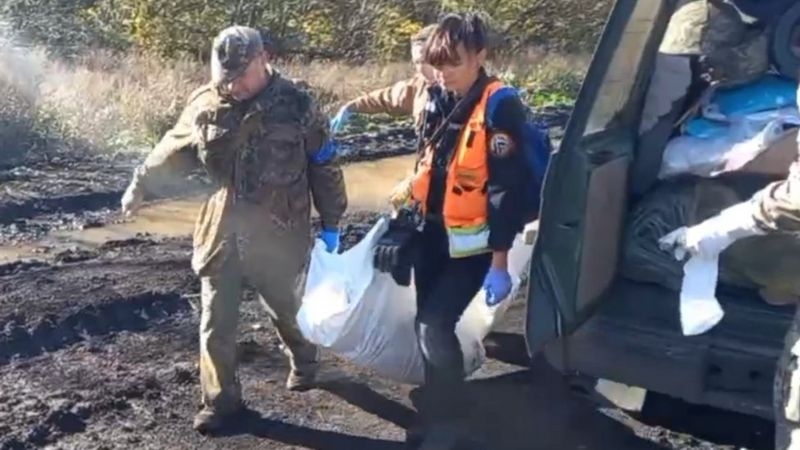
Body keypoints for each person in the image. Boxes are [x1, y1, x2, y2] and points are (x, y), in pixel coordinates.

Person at [119, 25, 348, 434]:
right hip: (221, 231)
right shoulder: (206, 102)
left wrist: (332, 224)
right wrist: (139, 184)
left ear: (265, 59)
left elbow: (324, 164)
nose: (234, 85)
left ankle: (306, 360)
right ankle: (222, 403)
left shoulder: (298, 105)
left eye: (241, 75)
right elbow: (171, 149)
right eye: (226, 76)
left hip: (280, 227)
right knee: (215, 321)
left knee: (285, 309)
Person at [375, 12, 535, 448]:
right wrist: (402, 222)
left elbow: (506, 189)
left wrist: (500, 263)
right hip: (431, 235)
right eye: (436, 64)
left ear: (479, 57)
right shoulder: (436, 96)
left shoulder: (501, 104)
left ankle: (451, 423)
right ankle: (440, 403)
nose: (442, 74)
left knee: (433, 325)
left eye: (452, 64)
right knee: (428, 324)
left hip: (473, 244)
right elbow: (428, 167)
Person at [330, 24, 438, 134]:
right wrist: (350, 107)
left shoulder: (455, 93)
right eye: (417, 62)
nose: (421, 69)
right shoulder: (417, 88)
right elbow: (384, 98)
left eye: (427, 61)